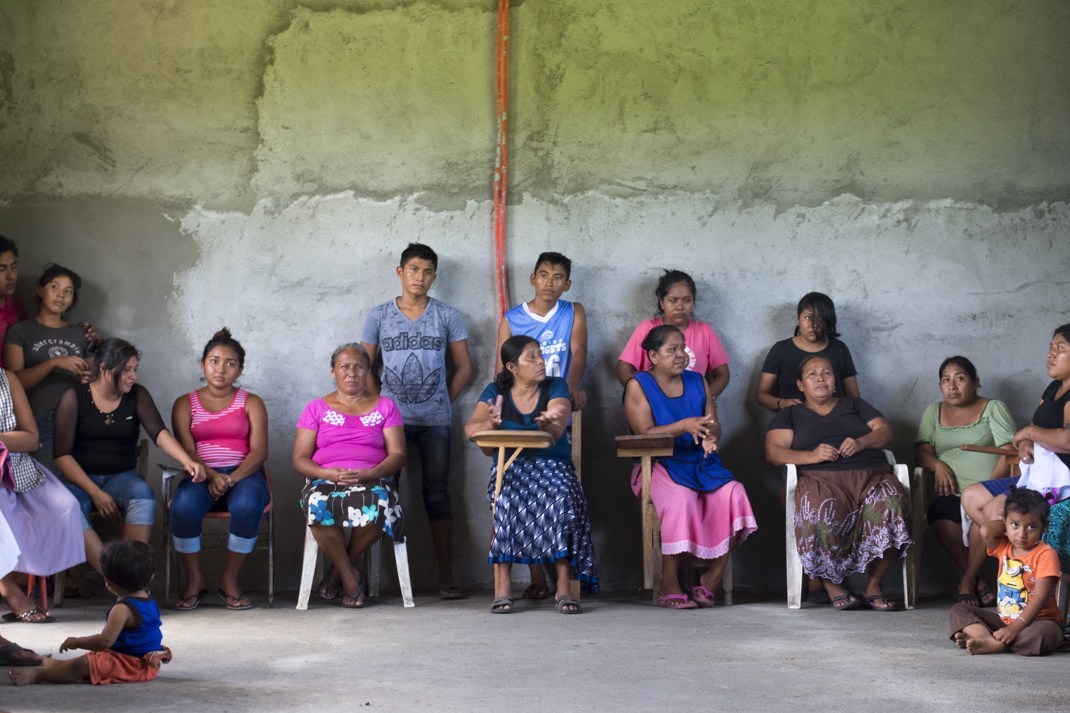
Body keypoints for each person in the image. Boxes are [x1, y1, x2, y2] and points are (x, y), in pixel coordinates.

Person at [361, 243, 472, 600]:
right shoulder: (379, 315)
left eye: (426, 271)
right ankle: (362, 578)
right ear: (400, 272)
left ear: (434, 276)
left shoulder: (446, 315)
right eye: (413, 270)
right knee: (382, 494)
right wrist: (382, 406)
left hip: (435, 421)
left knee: (437, 494)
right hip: (390, 424)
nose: (419, 277)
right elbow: (364, 367)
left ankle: (445, 577)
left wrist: (443, 399)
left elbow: (465, 366)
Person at [623, 325, 757, 609]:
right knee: (682, 500)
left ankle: (710, 581)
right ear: (653, 356)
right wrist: (683, 426)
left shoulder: (698, 381)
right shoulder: (638, 385)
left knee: (735, 493)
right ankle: (669, 581)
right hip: (658, 465)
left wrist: (710, 437)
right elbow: (643, 433)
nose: (680, 355)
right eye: (672, 349)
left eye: (682, 348)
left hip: (700, 463)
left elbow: (713, 425)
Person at [765, 355, 912, 611]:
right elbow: (774, 452)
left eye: (826, 373)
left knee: (891, 501)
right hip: (819, 480)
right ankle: (832, 585)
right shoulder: (790, 415)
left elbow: (886, 433)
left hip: (871, 476)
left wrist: (862, 442)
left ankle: (874, 585)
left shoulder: (855, 405)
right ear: (800, 385)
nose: (820, 378)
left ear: (835, 381)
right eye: (812, 374)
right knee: (816, 510)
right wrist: (811, 456)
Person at [464, 336, 598, 614]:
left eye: (540, 355)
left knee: (560, 496)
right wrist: (489, 422)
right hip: (511, 467)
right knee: (505, 497)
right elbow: (470, 430)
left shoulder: (555, 385)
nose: (541, 362)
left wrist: (552, 421)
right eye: (532, 357)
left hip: (554, 465)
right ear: (512, 367)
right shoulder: (495, 392)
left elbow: (558, 425)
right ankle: (503, 586)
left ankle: (563, 585)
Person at [52, 338, 205, 570]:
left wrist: (187, 460)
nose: (133, 376)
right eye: (126, 370)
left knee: (143, 495)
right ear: (104, 369)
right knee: (67, 506)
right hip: (79, 480)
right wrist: (95, 493)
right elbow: (61, 455)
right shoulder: (75, 397)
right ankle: (113, 574)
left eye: (135, 369)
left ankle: (130, 571)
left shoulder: (137, 395)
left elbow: (159, 433)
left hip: (120, 477)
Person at [496, 251, 587, 598]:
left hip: (559, 405)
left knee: (559, 487)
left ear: (568, 283)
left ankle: (567, 577)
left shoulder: (573, 311)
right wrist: (501, 408)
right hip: (523, 408)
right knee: (520, 482)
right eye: (544, 275)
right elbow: (501, 367)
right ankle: (537, 577)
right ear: (533, 278)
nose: (551, 283)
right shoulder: (512, 318)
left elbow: (577, 353)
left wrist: (570, 388)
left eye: (558, 277)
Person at [293, 343, 406, 609]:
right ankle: (350, 577)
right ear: (333, 371)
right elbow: (299, 458)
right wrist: (325, 473)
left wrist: (371, 472)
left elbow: (399, 454)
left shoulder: (386, 407)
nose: (352, 372)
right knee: (317, 503)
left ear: (369, 372)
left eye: (359, 367)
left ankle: (337, 572)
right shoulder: (315, 408)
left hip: (374, 478)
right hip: (325, 480)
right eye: (344, 366)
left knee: (381, 503)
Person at [167, 329, 269, 611]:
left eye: (229, 363)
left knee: (248, 504)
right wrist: (212, 476)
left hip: (243, 473)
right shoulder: (185, 403)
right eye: (214, 361)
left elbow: (260, 451)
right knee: (184, 506)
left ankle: (229, 580)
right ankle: (194, 580)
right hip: (200, 474)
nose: (221, 369)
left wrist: (230, 478)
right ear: (202, 364)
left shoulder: (252, 402)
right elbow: (187, 451)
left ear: (240, 369)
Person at [961, 324, 1070, 557]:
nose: (1051, 354)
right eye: (1050, 347)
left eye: (1060, 348)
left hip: (1060, 484)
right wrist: (1025, 444)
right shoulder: (1053, 388)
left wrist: (1029, 433)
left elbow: (1066, 440)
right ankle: (1021, 560)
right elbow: (1033, 430)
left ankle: (1025, 563)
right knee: (971, 497)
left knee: (995, 511)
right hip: (1036, 474)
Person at [915, 356, 1015, 607]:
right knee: (939, 513)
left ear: (975, 382)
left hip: (988, 492)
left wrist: (988, 487)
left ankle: (966, 581)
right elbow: (923, 452)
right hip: (952, 494)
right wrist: (937, 465)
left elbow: (1009, 452)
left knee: (977, 517)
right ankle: (979, 581)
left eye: (960, 378)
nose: (952, 386)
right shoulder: (933, 412)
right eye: (946, 380)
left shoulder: (993, 408)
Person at [9, 539, 172, 685]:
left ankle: (39, 675)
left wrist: (77, 642)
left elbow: (104, 642)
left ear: (107, 581)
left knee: (84, 664)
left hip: (130, 664)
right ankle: (55, 665)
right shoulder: (148, 600)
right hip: (141, 661)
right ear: (150, 577)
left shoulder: (122, 609)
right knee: (90, 659)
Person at [0, 368, 83, 623]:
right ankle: (9, 590)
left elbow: (31, 439)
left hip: (17, 467)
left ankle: (17, 576)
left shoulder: (6, 379)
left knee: (66, 505)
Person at [948, 488, 1063, 655]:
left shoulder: (1046, 554)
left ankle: (995, 643)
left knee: (1041, 635)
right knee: (960, 610)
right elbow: (986, 530)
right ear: (1005, 522)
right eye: (1015, 525)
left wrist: (1015, 629)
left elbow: (1039, 597)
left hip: (1040, 621)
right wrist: (1008, 520)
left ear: (1044, 527)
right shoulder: (1004, 546)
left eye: (1031, 527)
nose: (1021, 535)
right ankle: (984, 638)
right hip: (1005, 622)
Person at [4, 264, 93, 469]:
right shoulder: (20, 331)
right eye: (55, 287)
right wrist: (53, 363)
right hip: (40, 418)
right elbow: (14, 381)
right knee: (49, 483)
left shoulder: (80, 334)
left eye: (68, 291)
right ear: (40, 289)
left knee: (82, 483)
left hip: (79, 417)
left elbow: (93, 376)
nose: (61, 295)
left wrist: (90, 377)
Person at [617, 269, 730, 398]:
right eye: (673, 300)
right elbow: (623, 369)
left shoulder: (704, 331)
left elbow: (723, 374)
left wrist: (705, 398)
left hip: (692, 408)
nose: (680, 306)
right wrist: (643, 397)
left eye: (687, 300)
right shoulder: (646, 328)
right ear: (662, 302)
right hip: (655, 406)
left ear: (693, 301)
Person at [756, 292, 859, 413]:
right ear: (798, 320)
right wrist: (782, 403)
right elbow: (762, 395)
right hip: (792, 418)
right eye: (808, 317)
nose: (813, 325)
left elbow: (854, 396)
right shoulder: (780, 349)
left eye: (820, 319)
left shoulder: (839, 349)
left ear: (828, 322)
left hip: (834, 417)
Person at [0, 236, 27, 367]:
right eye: (2, 269)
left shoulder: (17, 308)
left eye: (13, 267)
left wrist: (76, 332)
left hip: (17, 382)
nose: (11, 276)